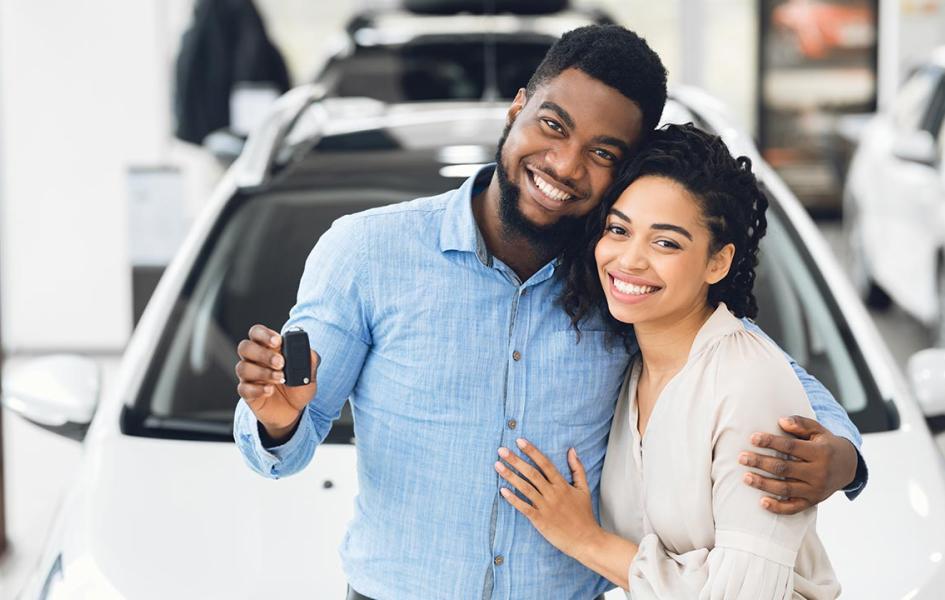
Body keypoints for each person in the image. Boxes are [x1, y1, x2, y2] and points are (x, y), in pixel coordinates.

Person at [232, 25, 865, 599]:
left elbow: (763, 373)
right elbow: (283, 445)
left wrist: (842, 458)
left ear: (625, 170)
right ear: (517, 109)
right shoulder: (366, 251)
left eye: (603, 153)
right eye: (553, 126)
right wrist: (280, 422)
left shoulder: (626, 281)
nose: (564, 165)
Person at [495, 123, 840, 598]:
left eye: (666, 242)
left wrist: (586, 540)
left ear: (717, 263)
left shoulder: (749, 385)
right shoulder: (630, 368)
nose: (629, 260)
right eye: (618, 229)